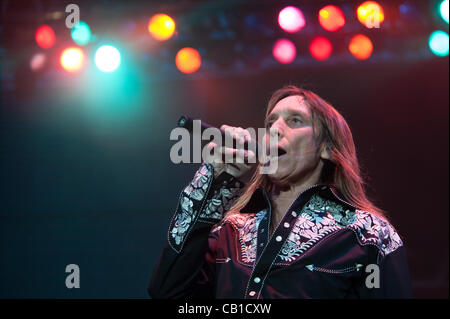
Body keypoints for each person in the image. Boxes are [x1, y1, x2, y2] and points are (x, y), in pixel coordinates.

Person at [148, 85, 412, 299]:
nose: (274, 130)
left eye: (294, 120)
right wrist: (214, 181)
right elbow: (168, 291)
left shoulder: (369, 235)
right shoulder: (230, 232)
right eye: (270, 122)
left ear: (327, 149)